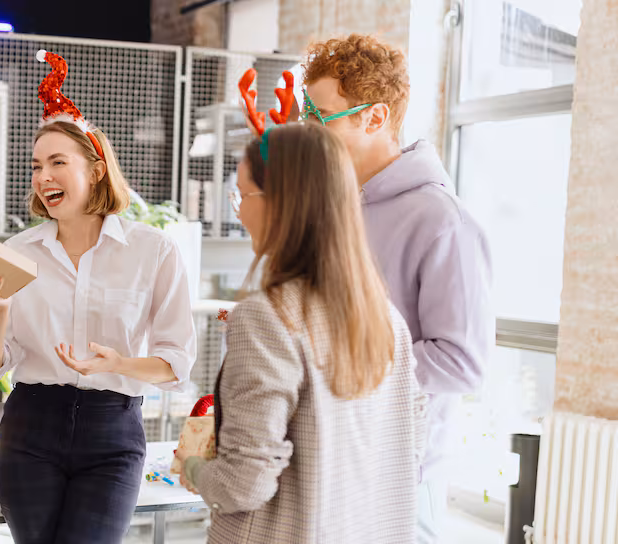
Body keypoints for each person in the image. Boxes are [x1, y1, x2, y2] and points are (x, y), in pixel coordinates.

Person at [0, 50, 197, 544]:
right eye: (36, 166)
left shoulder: (153, 250)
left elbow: (176, 363)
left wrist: (121, 364)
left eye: (57, 163)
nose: (43, 176)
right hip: (29, 429)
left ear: (95, 170)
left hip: (113, 434)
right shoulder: (17, 253)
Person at [178, 120, 427, 543]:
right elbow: (409, 443)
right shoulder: (387, 318)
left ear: (281, 204)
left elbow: (244, 484)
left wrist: (194, 467)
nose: (239, 211)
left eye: (243, 195)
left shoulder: (267, 317)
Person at [301, 34, 493, 542]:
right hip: (329, 456)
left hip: (399, 476)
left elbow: (461, 362)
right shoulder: (335, 204)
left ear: (375, 117)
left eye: (322, 116)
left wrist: (339, 361)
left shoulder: (443, 221)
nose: (307, 129)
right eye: (306, 113)